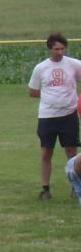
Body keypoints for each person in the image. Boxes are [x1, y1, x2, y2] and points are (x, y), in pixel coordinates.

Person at [28, 33, 81, 199]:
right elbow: (32, 91)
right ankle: (45, 189)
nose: (60, 52)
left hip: (69, 115)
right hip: (47, 116)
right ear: (50, 49)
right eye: (56, 49)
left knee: (72, 152)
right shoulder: (41, 68)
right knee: (46, 153)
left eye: (62, 49)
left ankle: (76, 187)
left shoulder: (74, 64)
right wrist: (50, 96)